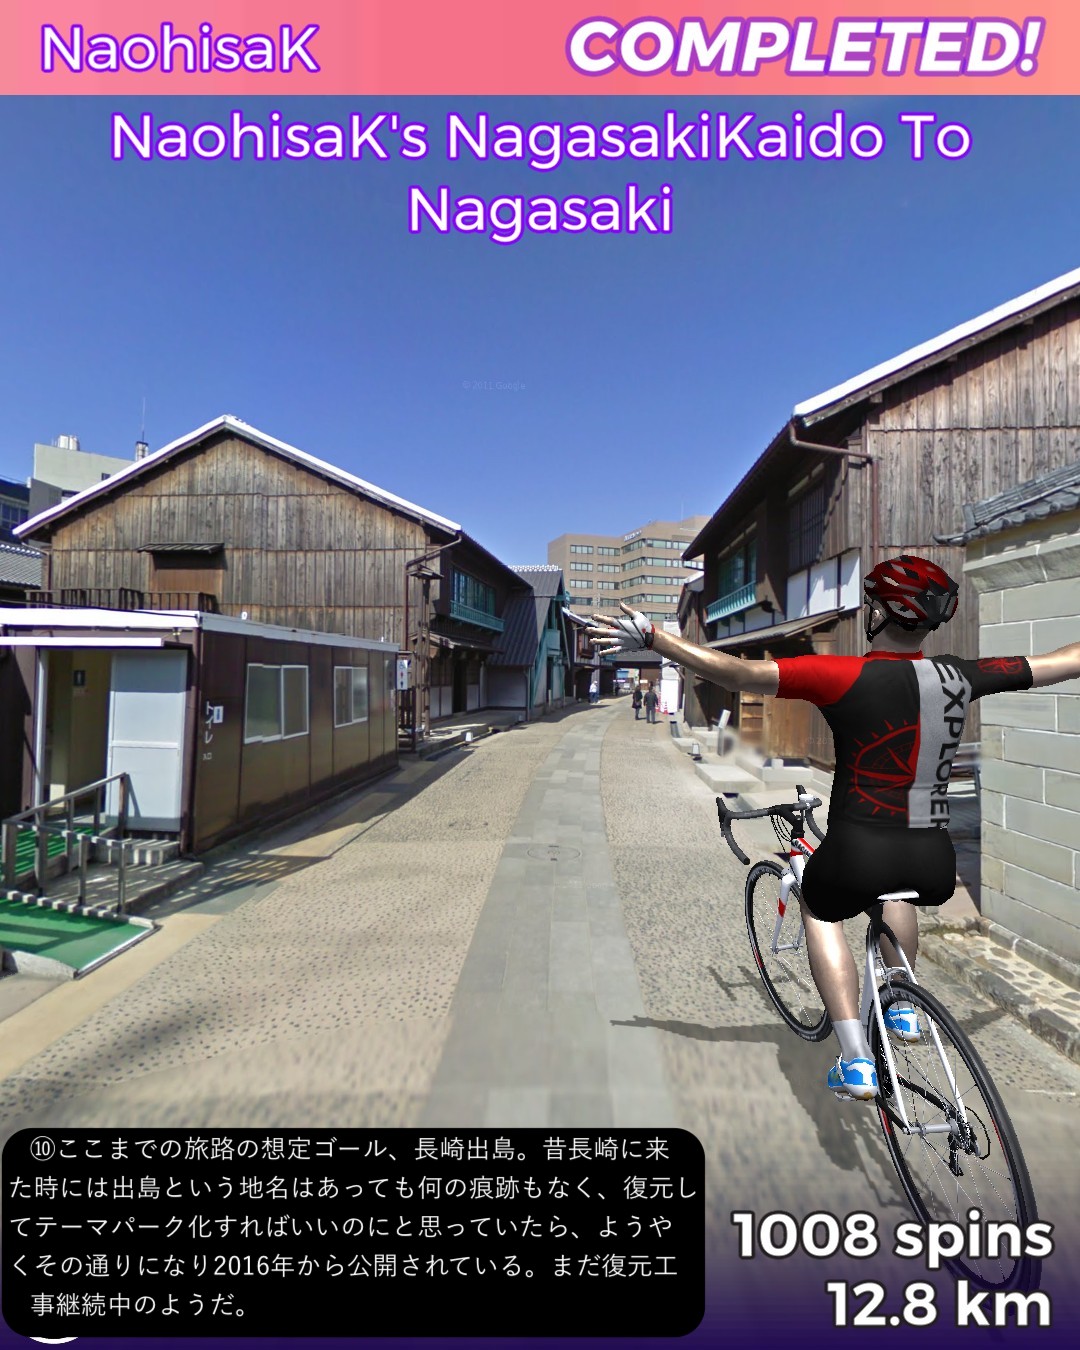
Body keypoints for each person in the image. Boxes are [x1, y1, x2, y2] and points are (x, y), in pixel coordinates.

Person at [587, 555, 1080, 1102]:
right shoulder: (962, 674)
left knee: (818, 906)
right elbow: (1061, 661)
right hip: (934, 860)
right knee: (898, 895)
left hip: (858, 851)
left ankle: (855, 1060)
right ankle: (903, 1007)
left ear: (880, 613)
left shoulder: (842, 674)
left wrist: (656, 639)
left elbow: (736, 673)